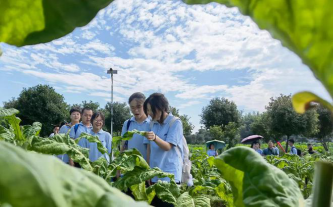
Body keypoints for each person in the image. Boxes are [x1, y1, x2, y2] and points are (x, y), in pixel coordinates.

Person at [144, 93, 183, 207]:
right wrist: (148, 171)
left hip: (169, 176)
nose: (149, 114)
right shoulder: (152, 124)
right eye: (148, 110)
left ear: (161, 108)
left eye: (151, 110)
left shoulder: (175, 122)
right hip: (154, 175)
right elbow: (149, 149)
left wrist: (155, 137)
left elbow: (168, 146)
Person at [121, 93, 150, 161]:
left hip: (146, 166)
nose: (135, 110)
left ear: (145, 106)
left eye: (139, 106)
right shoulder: (128, 123)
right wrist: (119, 169)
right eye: (132, 107)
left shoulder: (151, 123)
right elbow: (123, 146)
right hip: (130, 167)